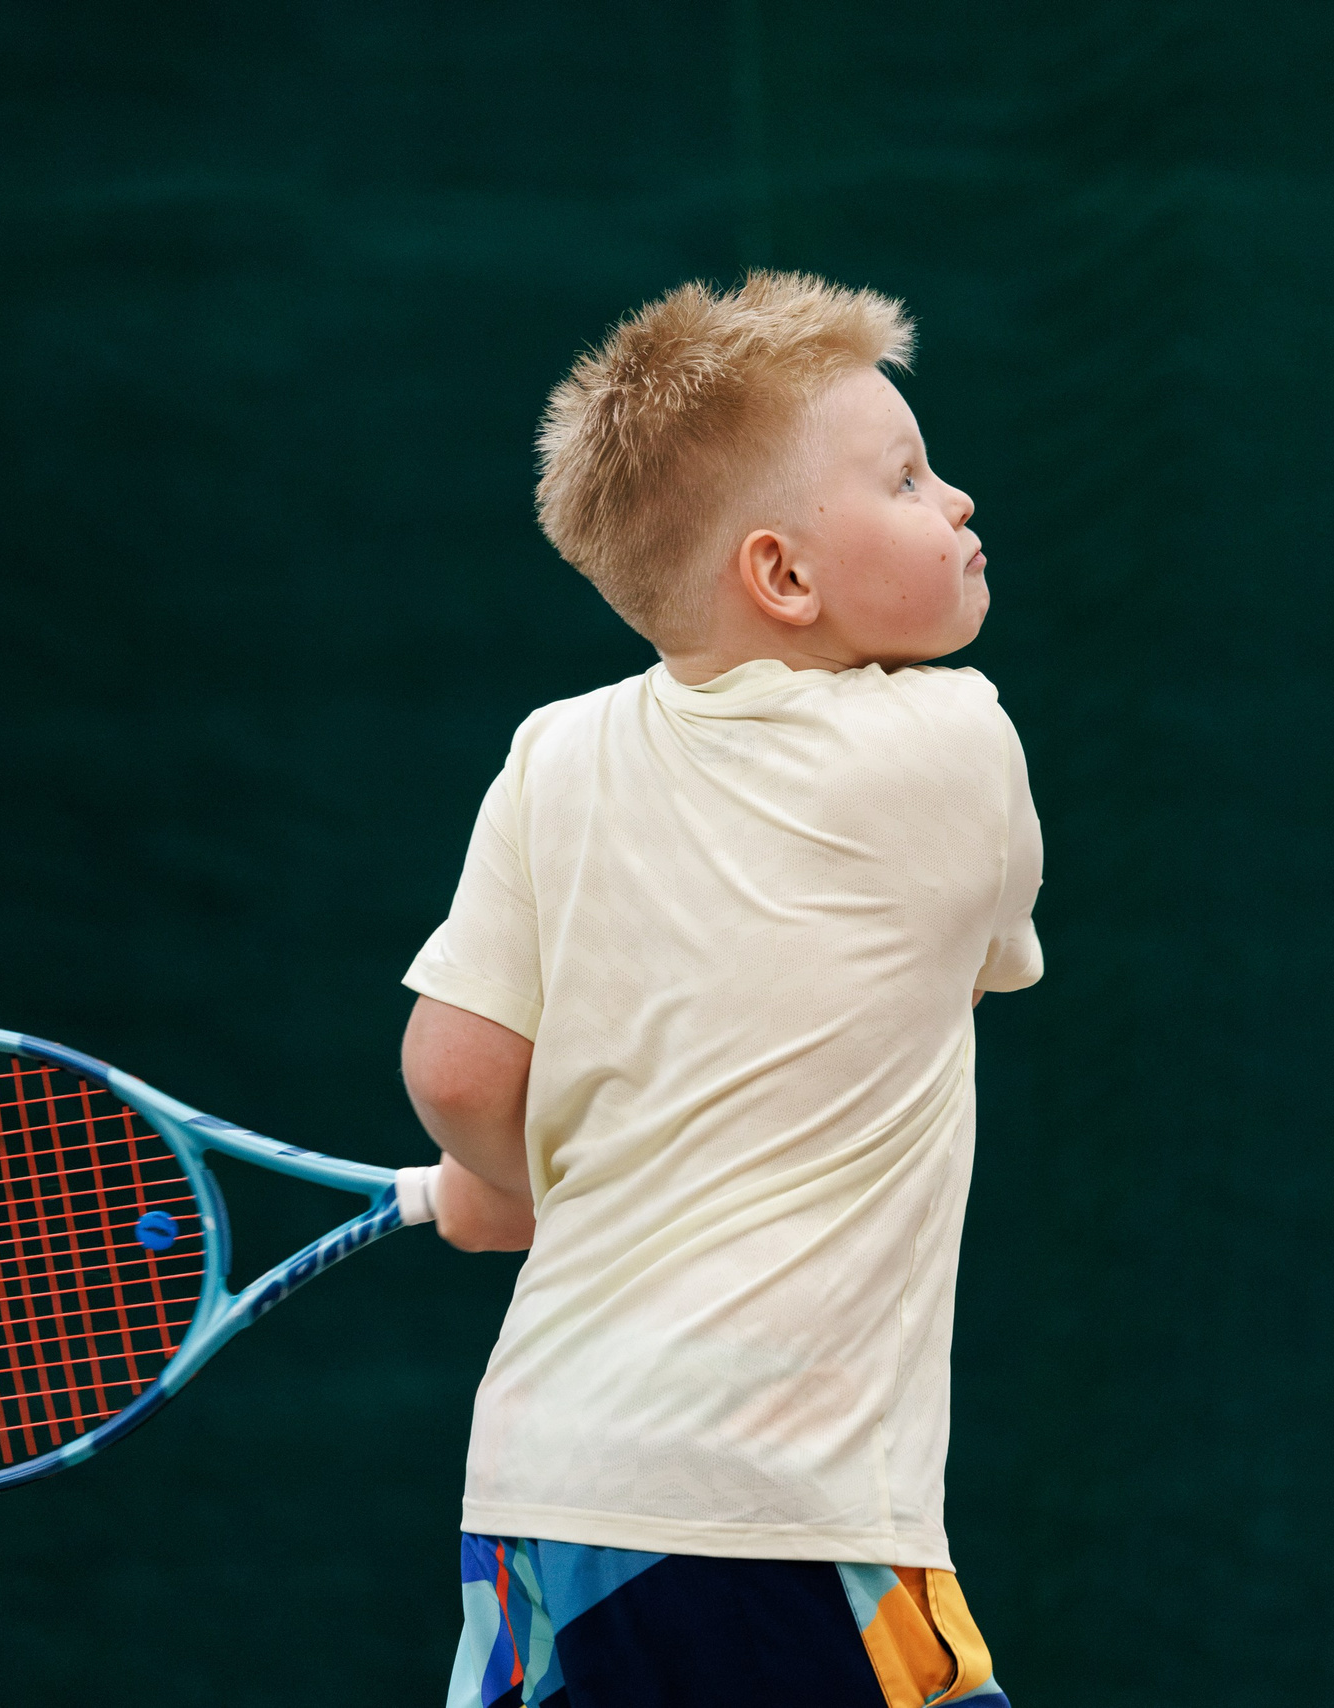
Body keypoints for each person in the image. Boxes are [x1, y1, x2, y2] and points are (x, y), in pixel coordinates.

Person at [392, 272, 1041, 1708]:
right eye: (908, 477)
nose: (958, 501)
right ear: (786, 577)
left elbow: (453, 1074)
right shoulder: (957, 751)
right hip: (780, 1518)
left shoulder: (551, 754)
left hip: (539, 1501)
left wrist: (505, 1183)